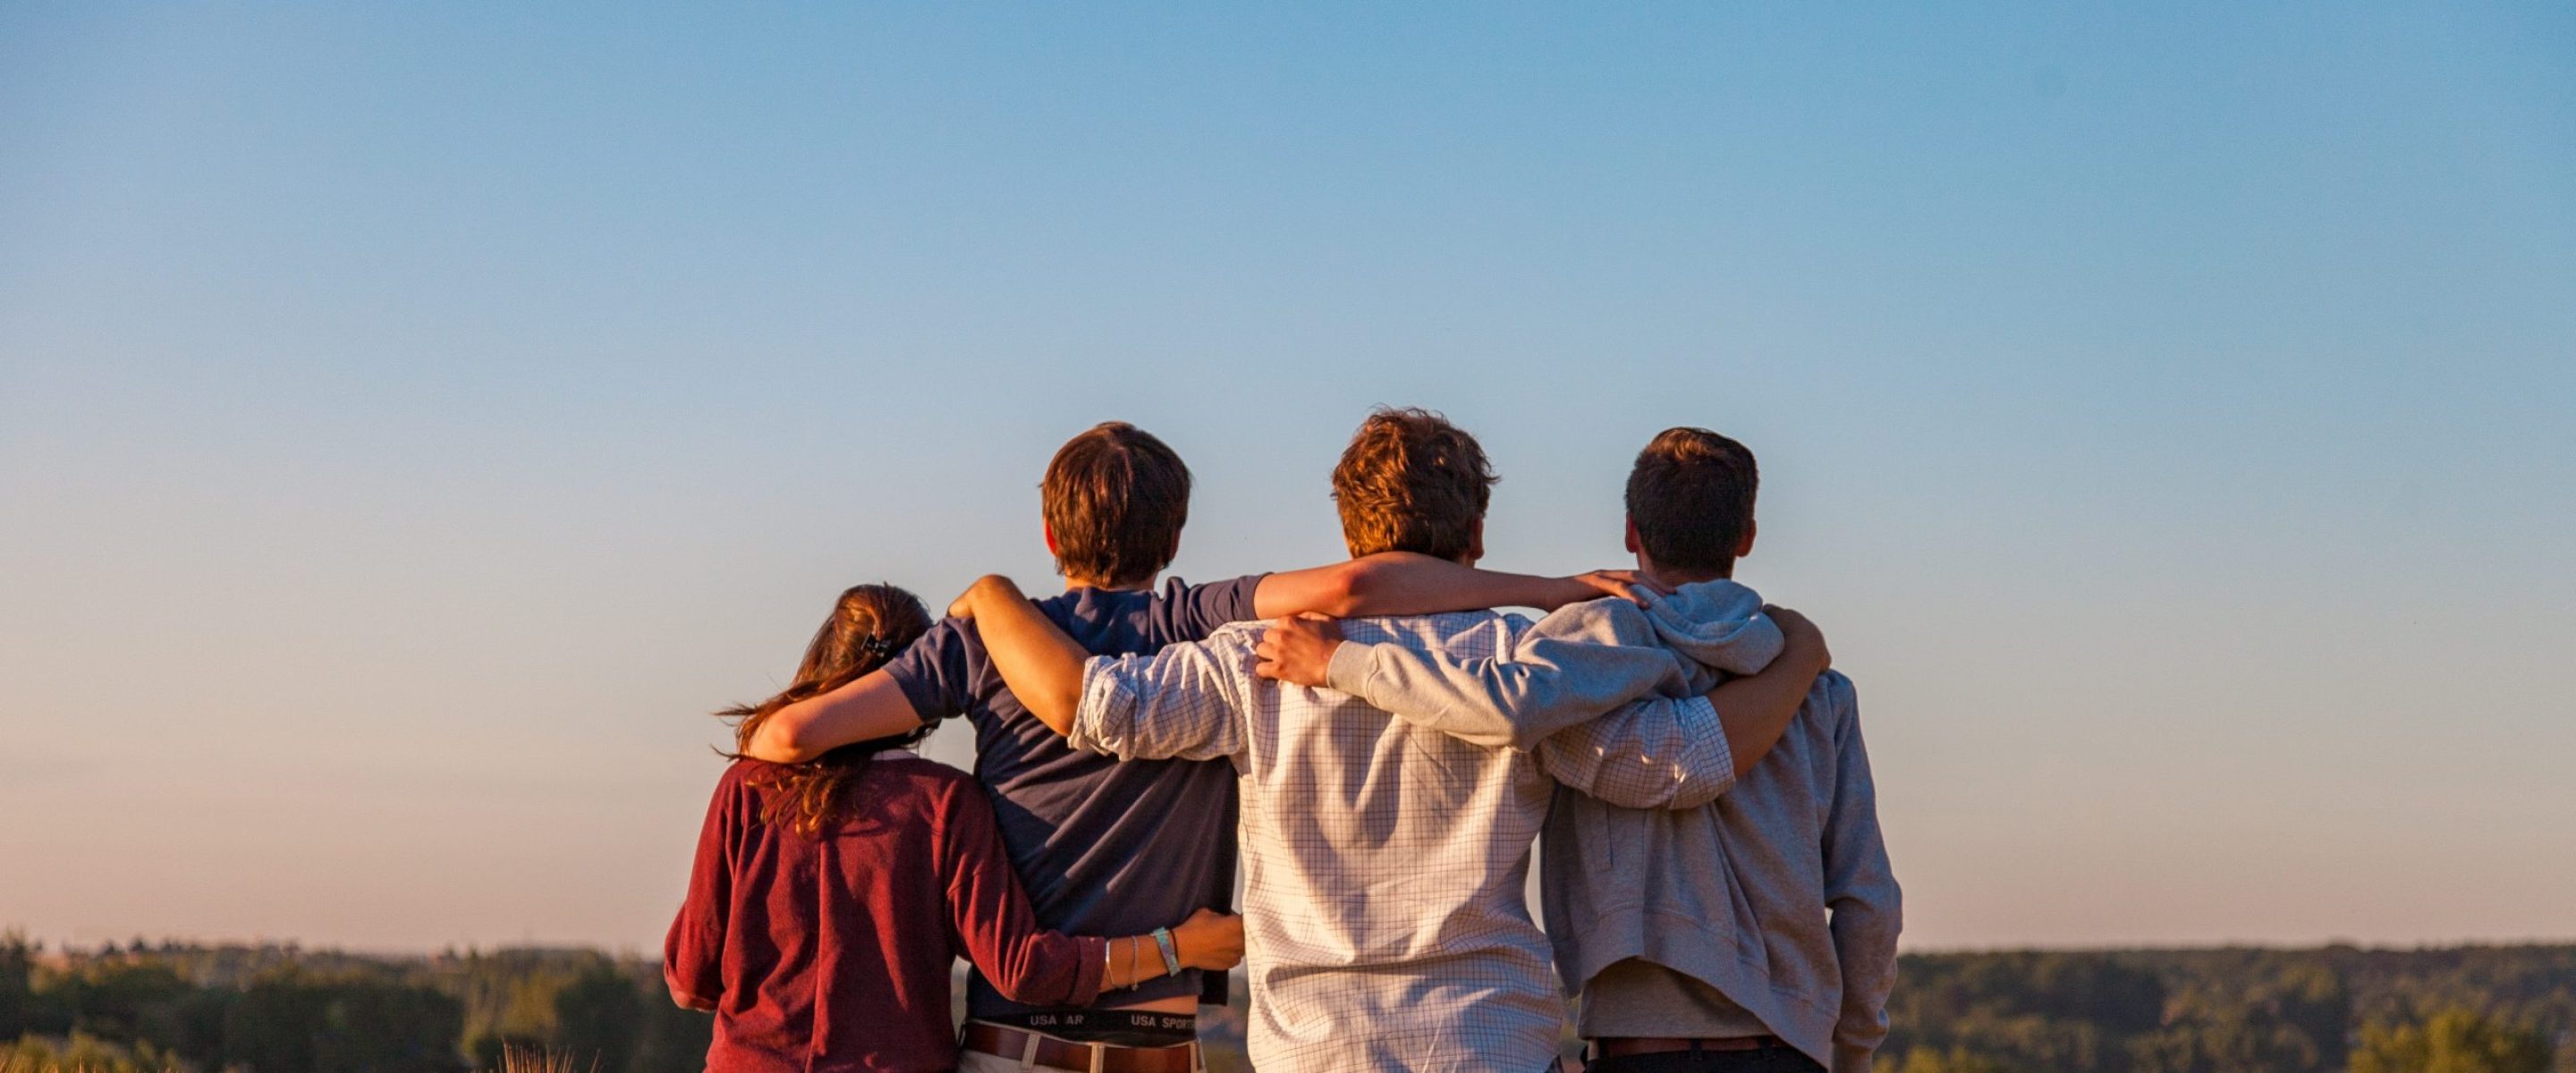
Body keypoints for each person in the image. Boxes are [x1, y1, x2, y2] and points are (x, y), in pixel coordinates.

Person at [947, 409, 1835, 1073]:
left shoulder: (1253, 662)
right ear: (1477, 534)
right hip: (1489, 1043)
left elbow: (1098, 708)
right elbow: (1679, 763)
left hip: (1314, 1049)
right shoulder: (1524, 664)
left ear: (1348, 531)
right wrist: (1796, 660)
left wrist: (991, 598)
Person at [737, 422, 1647, 1069]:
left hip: (1016, 1041)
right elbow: (1365, 584)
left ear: (1051, 534)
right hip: (1162, 1045)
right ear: (1175, 538)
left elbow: (784, 737)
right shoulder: (1196, 620)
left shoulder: (984, 641)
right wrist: (1553, 590)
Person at [1257, 427, 1901, 1073]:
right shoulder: (1820, 694)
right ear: (1746, 537)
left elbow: (1506, 705)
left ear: (1631, 531)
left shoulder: (1582, 661)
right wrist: (1853, 1050)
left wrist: (1342, 661)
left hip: (1638, 1045)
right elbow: (1868, 899)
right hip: (1794, 1047)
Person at [664, 583, 1247, 1073]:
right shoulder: (944, 803)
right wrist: (1180, 946)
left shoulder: (747, 788)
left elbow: (692, 981)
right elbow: (1023, 969)